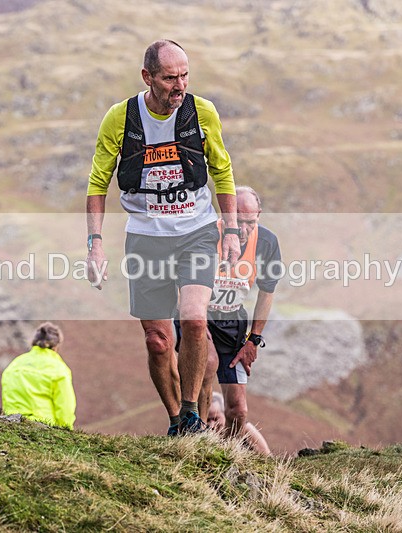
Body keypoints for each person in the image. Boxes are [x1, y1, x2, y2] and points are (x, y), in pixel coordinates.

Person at [85, 39, 240, 435]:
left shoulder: (201, 112)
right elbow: (98, 183)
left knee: (193, 318)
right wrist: (95, 244)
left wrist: (233, 231)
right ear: (147, 77)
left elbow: (222, 172)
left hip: (196, 232)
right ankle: (177, 422)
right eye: (170, 78)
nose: (180, 85)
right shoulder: (120, 119)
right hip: (145, 237)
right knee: (157, 340)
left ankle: (191, 413)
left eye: (185, 75)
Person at [177, 186, 282, 441]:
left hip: (232, 322)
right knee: (208, 364)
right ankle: (196, 441)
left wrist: (253, 339)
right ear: (226, 216)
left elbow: (267, 292)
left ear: (259, 215)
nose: (244, 230)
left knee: (237, 409)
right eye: (239, 222)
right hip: (197, 316)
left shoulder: (266, 243)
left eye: (251, 222)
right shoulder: (205, 236)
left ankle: (229, 454)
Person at [1, 322, 76, 429]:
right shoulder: (59, 369)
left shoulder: (14, 365)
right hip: (44, 428)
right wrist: (66, 431)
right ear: (56, 346)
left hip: (10, 425)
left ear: (33, 342)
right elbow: (65, 407)